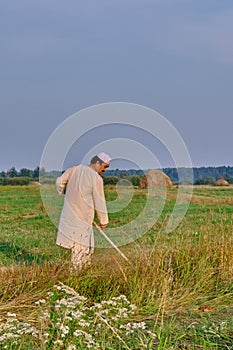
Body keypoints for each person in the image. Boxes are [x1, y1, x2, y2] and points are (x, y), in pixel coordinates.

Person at [56, 152, 111, 272]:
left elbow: (59, 182)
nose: (105, 170)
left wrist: (65, 190)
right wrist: (103, 220)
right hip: (82, 218)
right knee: (82, 248)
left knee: (81, 246)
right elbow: (100, 201)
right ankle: (77, 275)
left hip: (69, 216)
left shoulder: (74, 169)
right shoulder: (96, 178)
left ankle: (82, 272)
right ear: (97, 163)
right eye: (105, 166)